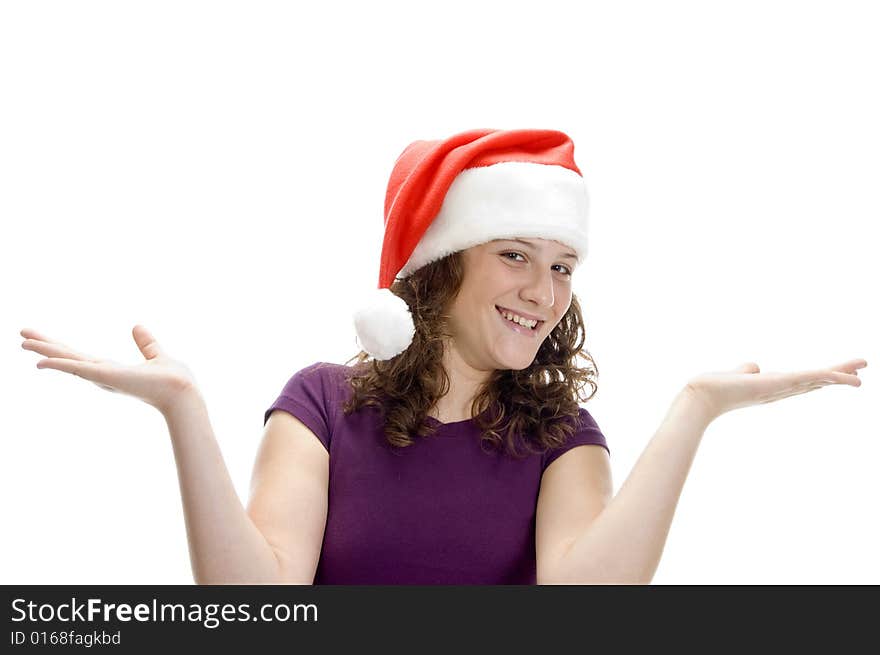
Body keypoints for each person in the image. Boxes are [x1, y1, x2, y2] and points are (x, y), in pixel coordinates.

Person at [20, 128, 867, 585]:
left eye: (562, 265)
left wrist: (695, 408)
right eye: (513, 254)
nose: (543, 290)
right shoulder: (320, 404)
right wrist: (184, 413)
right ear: (439, 264)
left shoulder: (565, 436)